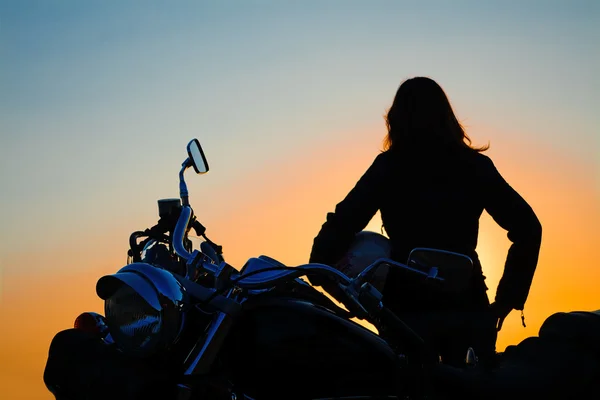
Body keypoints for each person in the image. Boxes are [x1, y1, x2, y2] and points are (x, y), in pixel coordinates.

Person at [308, 76, 542, 368]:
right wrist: (507, 300)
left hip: (405, 314)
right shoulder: (475, 167)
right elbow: (528, 228)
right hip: (469, 309)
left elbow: (343, 222)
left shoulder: (389, 167)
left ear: (395, 120)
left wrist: (317, 267)